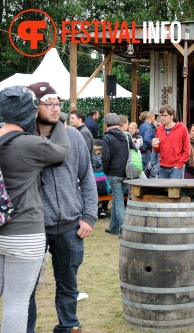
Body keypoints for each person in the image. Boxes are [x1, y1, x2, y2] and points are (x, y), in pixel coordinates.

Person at [26, 81, 97, 333]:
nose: (55, 109)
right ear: (34, 107)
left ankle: (68, 326)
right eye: (49, 104)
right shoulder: (22, 139)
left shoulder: (74, 137)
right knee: (26, 288)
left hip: (69, 225)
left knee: (68, 283)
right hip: (31, 227)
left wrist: (89, 216)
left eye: (58, 104)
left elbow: (87, 177)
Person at [0, 85, 70, 333]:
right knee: (16, 301)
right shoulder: (29, 144)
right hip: (25, 232)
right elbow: (63, 151)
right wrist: (60, 118)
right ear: (30, 114)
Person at [102, 112, 134, 235]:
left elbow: (105, 158)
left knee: (119, 201)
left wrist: (106, 171)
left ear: (106, 124)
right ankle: (113, 228)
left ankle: (124, 229)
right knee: (116, 200)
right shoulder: (126, 136)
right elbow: (134, 151)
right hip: (126, 172)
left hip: (114, 174)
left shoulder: (107, 137)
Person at [153, 104, 190, 179]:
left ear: (172, 116)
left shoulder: (182, 129)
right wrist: (155, 146)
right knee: (162, 190)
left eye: (165, 115)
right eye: (161, 115)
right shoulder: (159, 129)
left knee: (174, 190)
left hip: (175, 167)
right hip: (162, 166)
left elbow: (187, 150)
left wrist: (179, 165)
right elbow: (157, 150)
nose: (162, 118)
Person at [93, 139, 110, 219]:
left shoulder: (88, 160)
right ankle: (103, 208)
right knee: (107, 186)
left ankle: (95, 208)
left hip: (92, 190)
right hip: (104, 190)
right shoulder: (103, 161)